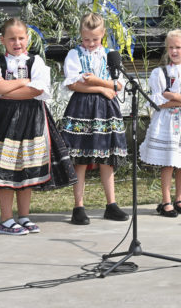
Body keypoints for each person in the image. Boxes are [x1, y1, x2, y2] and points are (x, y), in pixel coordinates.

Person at [0, 18, 76, 235]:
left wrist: (5, 89)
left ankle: (24, 216)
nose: (17, 42)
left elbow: (37, 90)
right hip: (2, 125)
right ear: (2, 40)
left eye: (21, 38)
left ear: (27, 38)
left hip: (32, 122)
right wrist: (22, 82)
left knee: (27, 169)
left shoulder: (36, 62)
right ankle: (6, 219)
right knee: (5, 170)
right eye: (11, 39)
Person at [61, 13, 129, 225]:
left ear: (103, 36)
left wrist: (98, 82)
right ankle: (78, 207)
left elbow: (119, 85)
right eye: (86, 39)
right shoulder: (74, 54)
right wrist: (102, 87)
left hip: (106, 109)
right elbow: (72, 84)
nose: (90, 44)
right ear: (80, 35)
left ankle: (111, 204)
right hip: (82, 107)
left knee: (106, 158)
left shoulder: (110, 55)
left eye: (95, 39)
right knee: (80, 159)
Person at [139, 29, 181, 217]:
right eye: (171, 48)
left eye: (178, 47)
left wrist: (174, 96)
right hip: (166, 122)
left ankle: (180, 198)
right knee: (168, 162)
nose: (174, 51)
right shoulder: (160, 73)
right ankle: (166, 200)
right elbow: (157, 102)